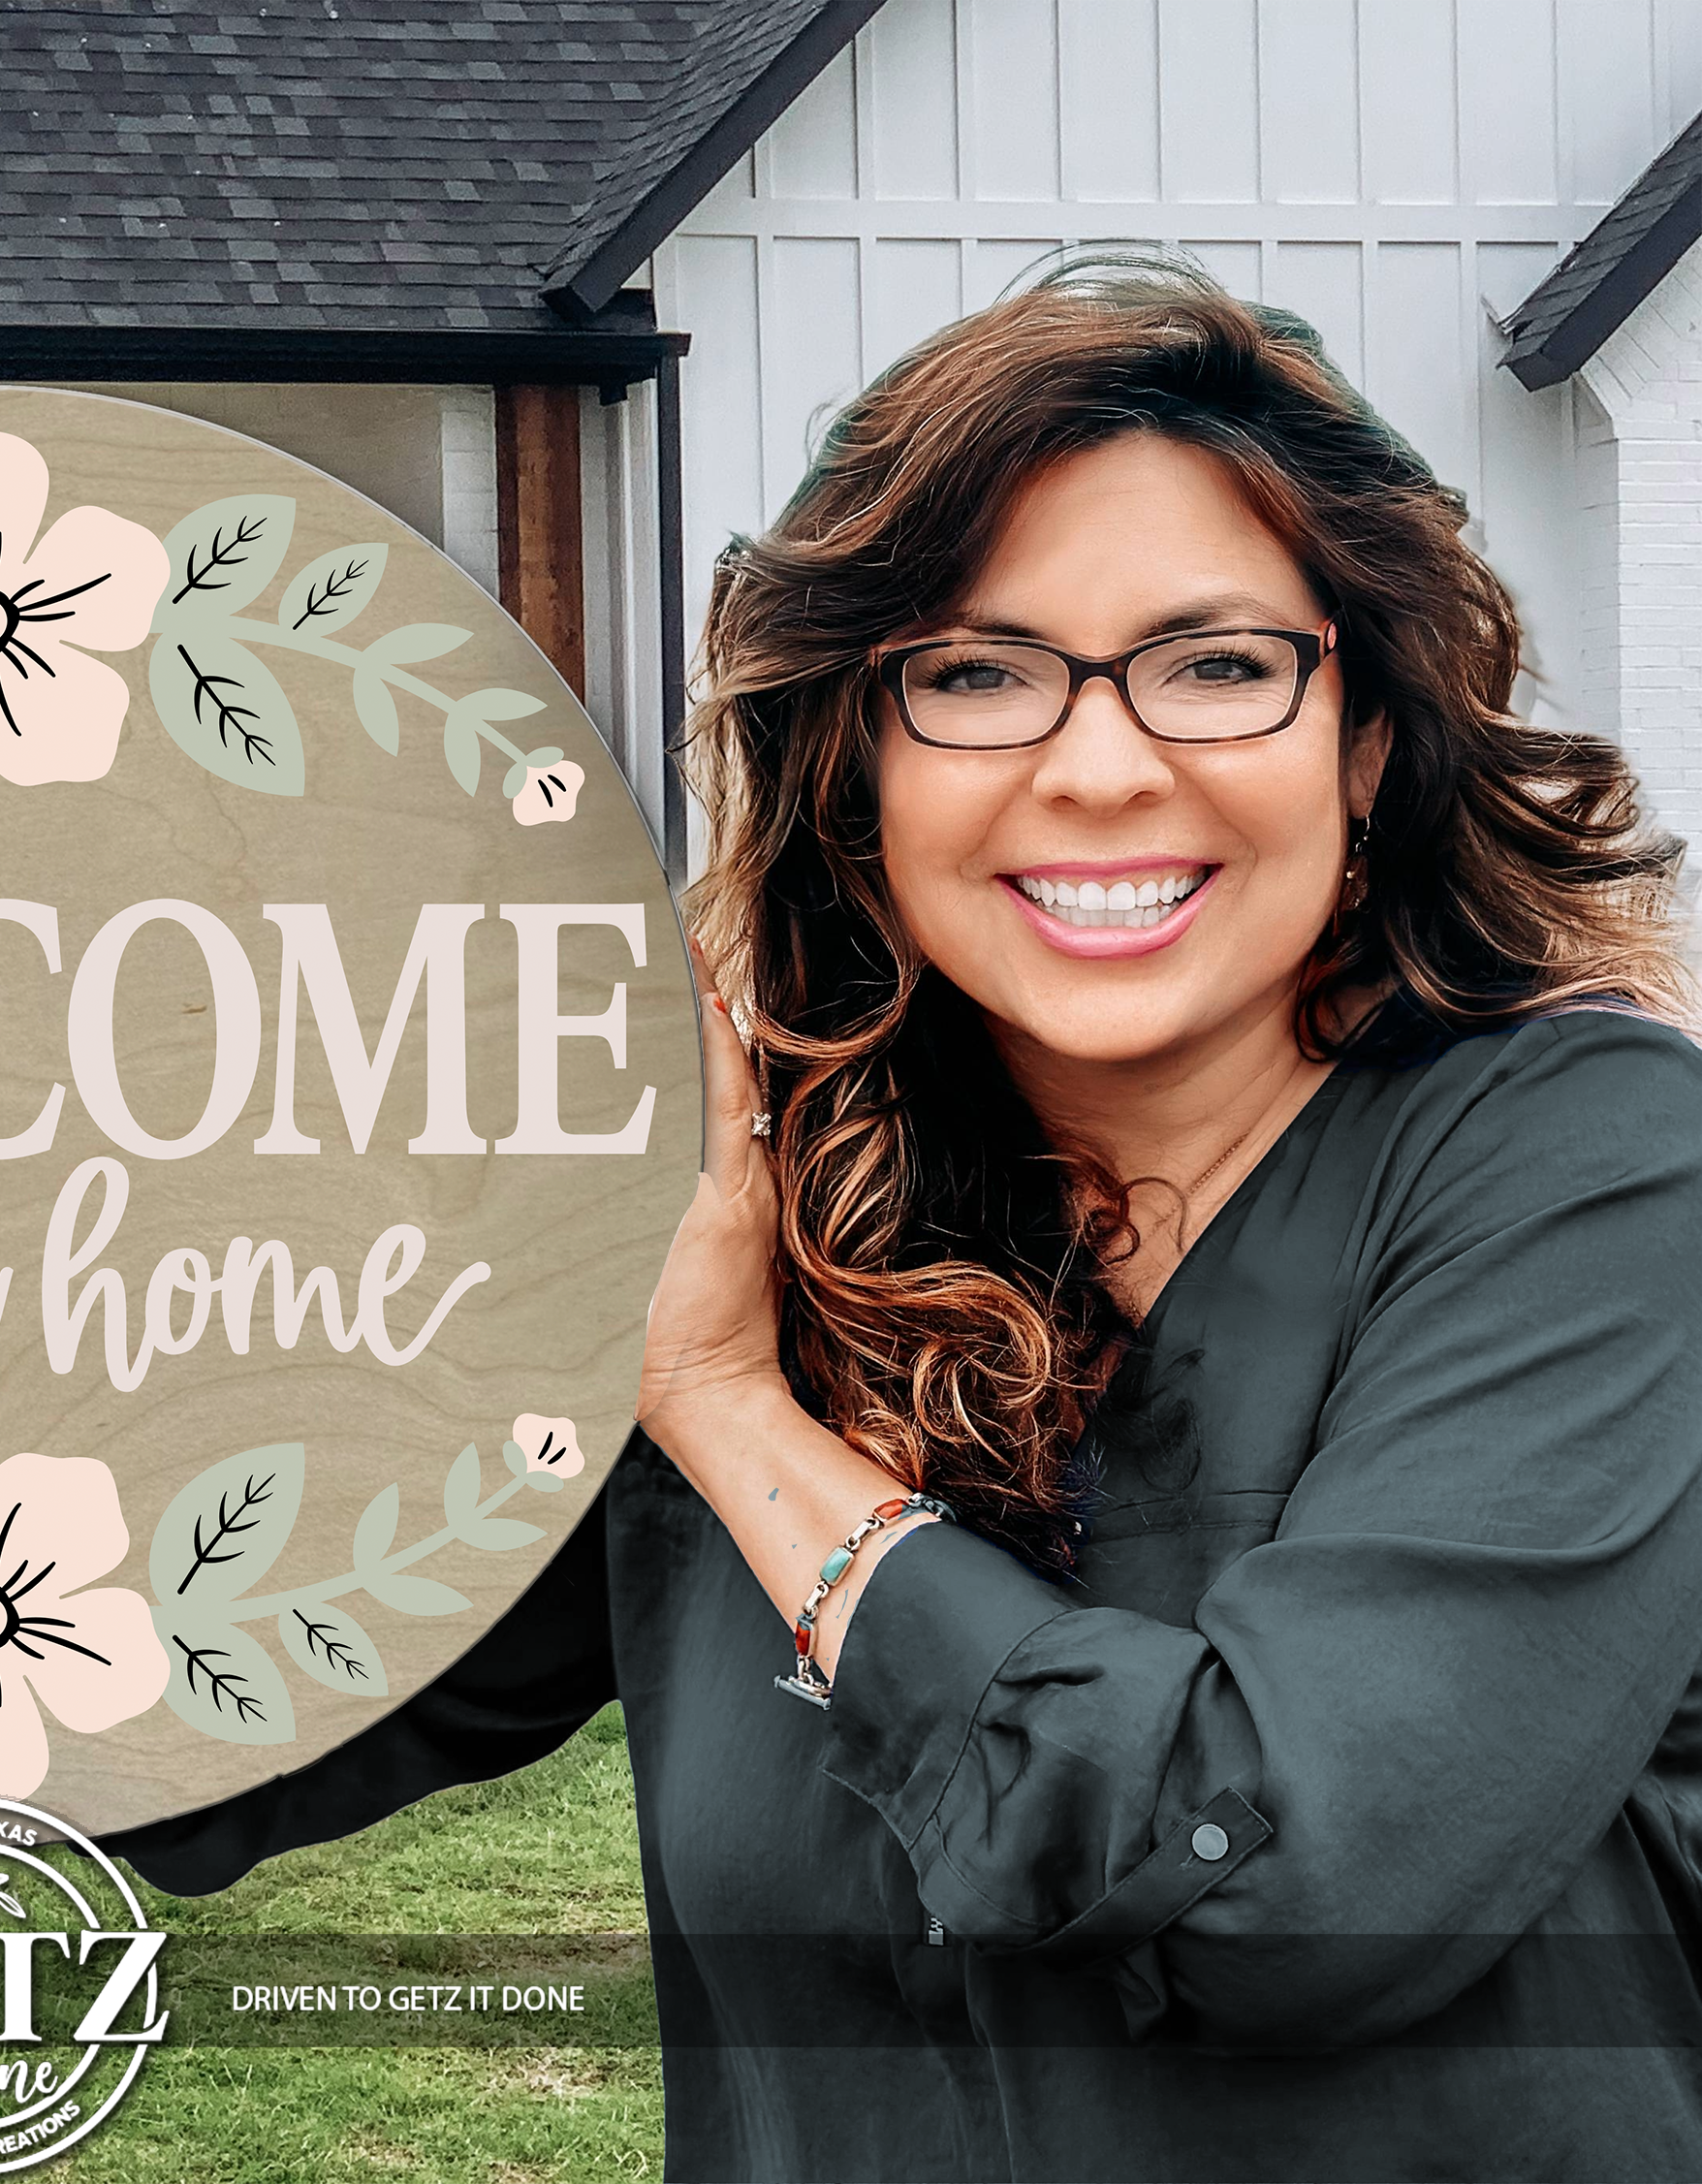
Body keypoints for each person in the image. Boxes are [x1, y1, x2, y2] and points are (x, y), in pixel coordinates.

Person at [100, 253, 1702, 2180]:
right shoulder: (753, 1192)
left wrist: (719, 1403)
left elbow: (1274, 1880)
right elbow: (177, 1729)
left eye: (1215, 664)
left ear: (1363, 740)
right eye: (972, 674)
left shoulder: (1593, 1172)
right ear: (852, 765)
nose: (1099, 767)